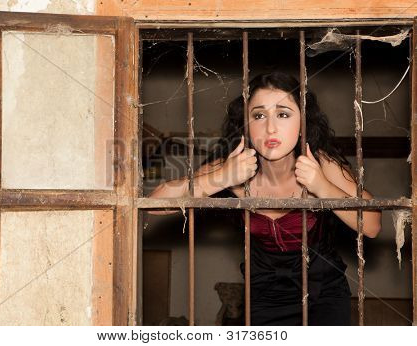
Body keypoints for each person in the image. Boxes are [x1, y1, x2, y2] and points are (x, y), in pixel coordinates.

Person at [148, 71, 382, 326]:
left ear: (302, 122)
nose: (270, 128)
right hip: (262, 298)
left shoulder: (321, 164)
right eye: (259, 115)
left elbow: (372, 226)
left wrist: (322, 187)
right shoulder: (230, 166)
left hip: (323, 295)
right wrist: (223, 177)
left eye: (283, 114)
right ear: (246, 125)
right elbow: (155, 205)